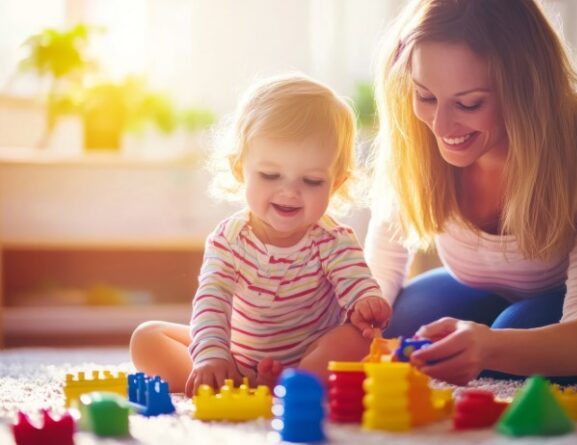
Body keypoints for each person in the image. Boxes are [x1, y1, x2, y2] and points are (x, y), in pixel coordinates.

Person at [364, 0, 577, 386]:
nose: (441, 126)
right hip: (503, 294)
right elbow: (377, 277)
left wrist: (490, 347)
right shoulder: (415, 138)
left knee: (515, 333)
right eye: (426, 96)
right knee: (399, 326)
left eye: (469, 103)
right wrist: (347, 332)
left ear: (526, 89)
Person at [130, 74, 392, 395]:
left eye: (312, 181)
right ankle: (228, 378)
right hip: (237, 356)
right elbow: (212, 301)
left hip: (310, 355)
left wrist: (367, 302)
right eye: (270, 175)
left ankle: (292, 382)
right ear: (240, 169)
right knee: (147, 338)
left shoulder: (333, 239)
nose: (290, 192)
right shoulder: (229, 240)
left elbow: (356, 282)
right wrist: (212, 355)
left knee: (358, 341)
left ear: (336, 183)